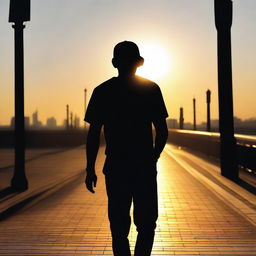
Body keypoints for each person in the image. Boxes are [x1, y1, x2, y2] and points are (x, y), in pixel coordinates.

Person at [84, 41, 168, 256]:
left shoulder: (102, 91)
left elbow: (94, 134)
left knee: (119, 226)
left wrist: (90, 169)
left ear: (114, 63)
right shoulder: (151, 89)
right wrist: (153, 157)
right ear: (139, 63)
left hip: (116, 165)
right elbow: (162, 130)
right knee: (147, 223)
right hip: (143, 166)